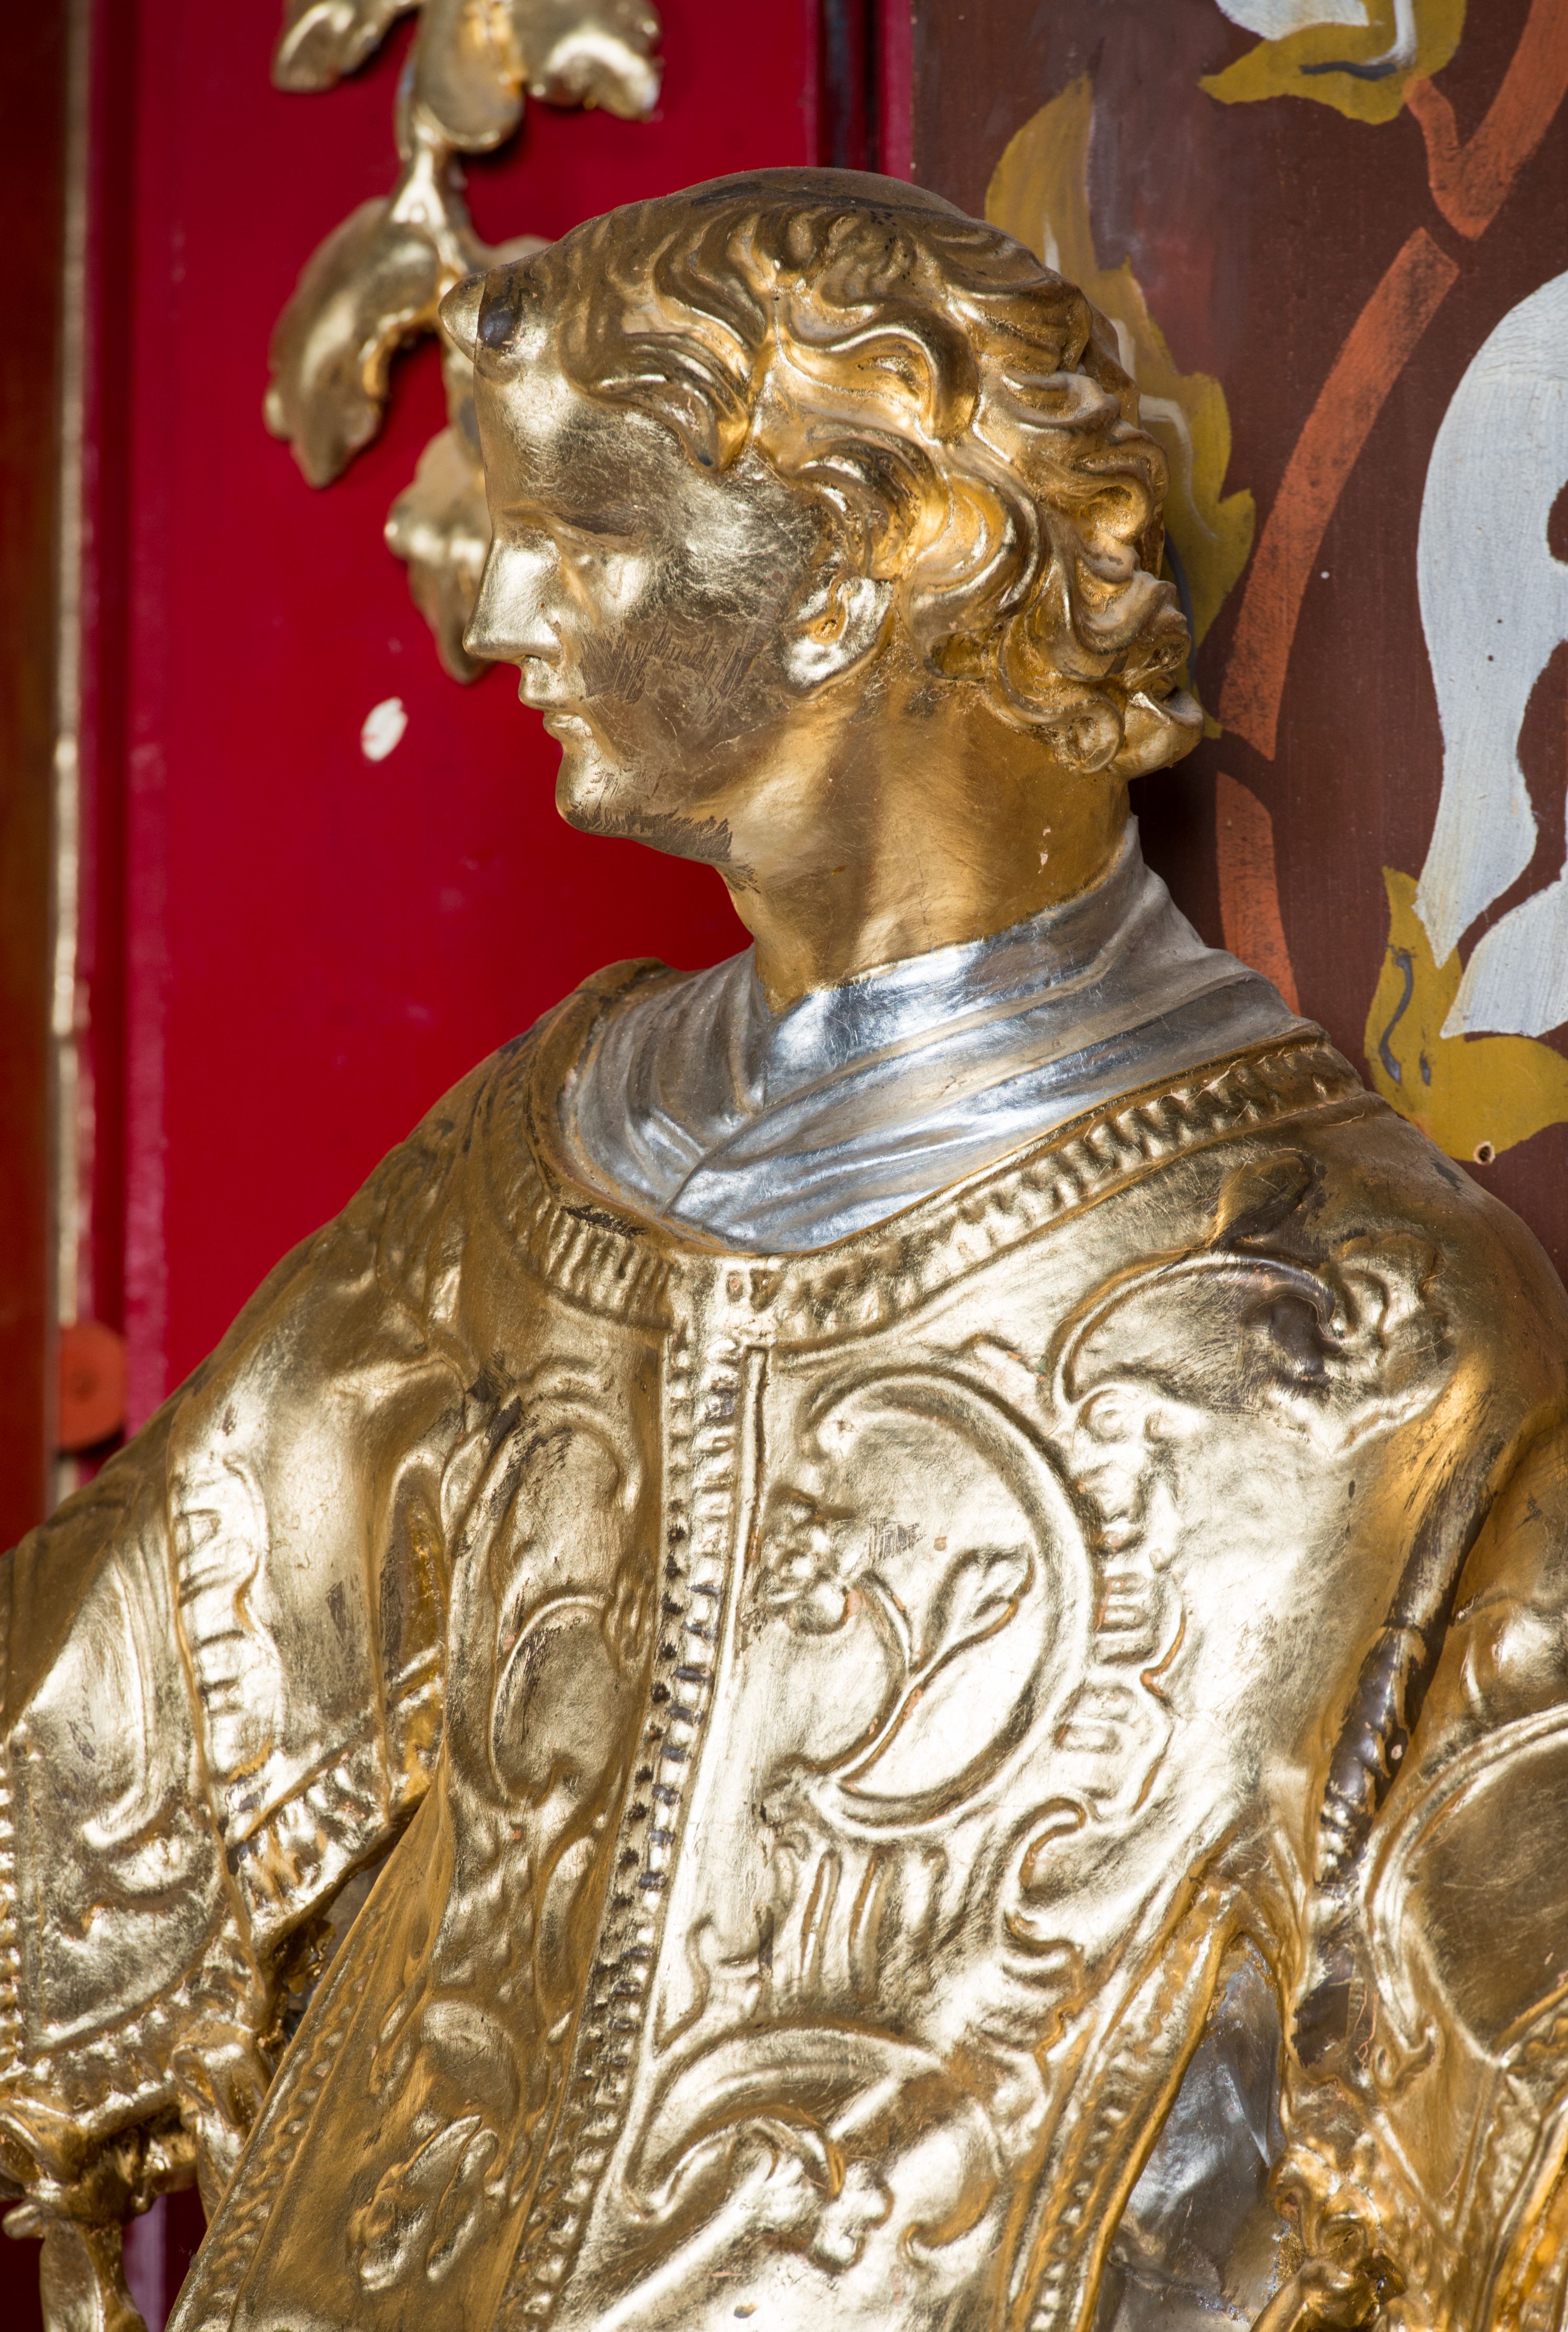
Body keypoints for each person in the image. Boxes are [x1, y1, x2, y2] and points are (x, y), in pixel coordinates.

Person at [4, 171, 1567, 2332]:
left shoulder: (1364, 1339)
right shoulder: (528, 1174)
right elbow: (95, 1732)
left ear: (859, 561)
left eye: (587, 536)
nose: (492, 618)